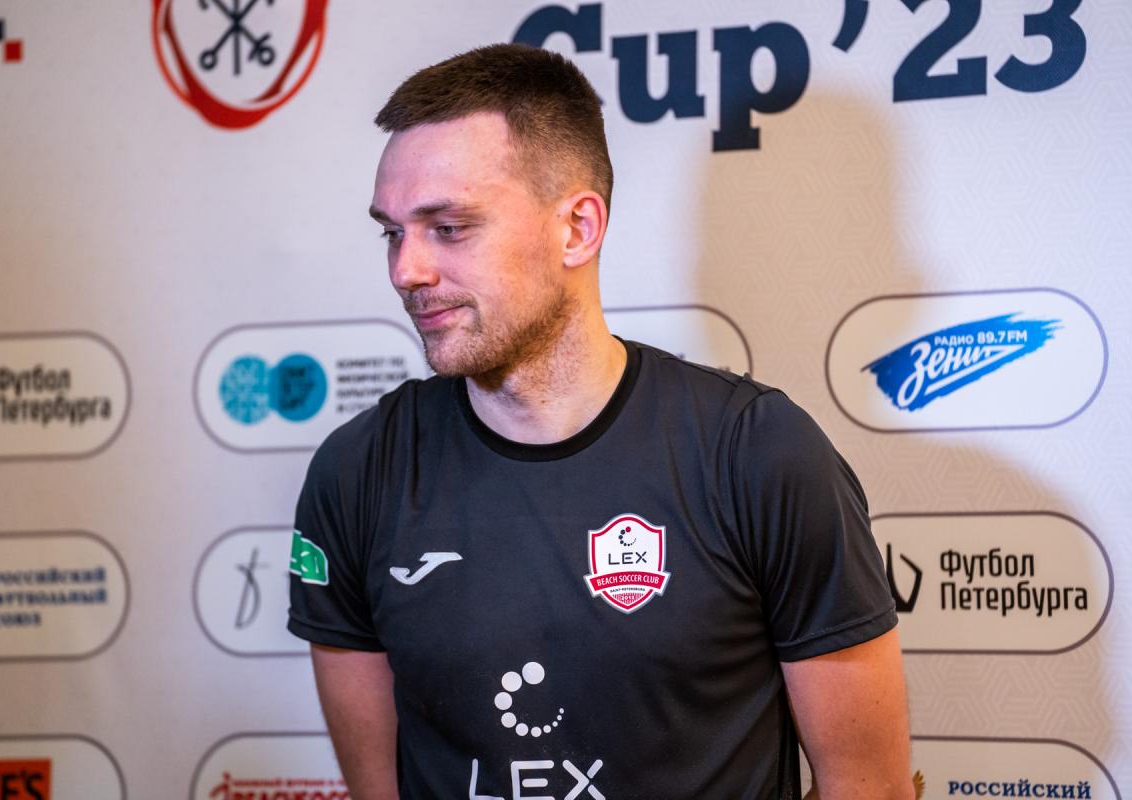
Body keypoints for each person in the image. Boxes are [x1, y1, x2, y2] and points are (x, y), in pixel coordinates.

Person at [288, 43, 913, 800]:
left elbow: (868, 785)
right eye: (392, 232)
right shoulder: (357, 473)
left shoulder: (757, 454)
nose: (405, 271)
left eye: (447, 227)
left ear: (578, 229)